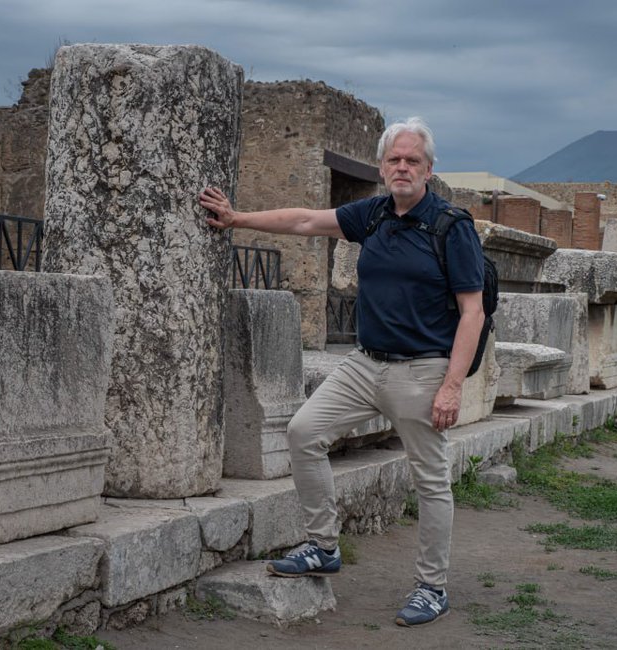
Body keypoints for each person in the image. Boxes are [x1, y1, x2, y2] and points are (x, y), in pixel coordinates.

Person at [199, 117, 484, 627]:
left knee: (431, 480)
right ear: (381, 166)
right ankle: (322, 546)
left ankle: (431, 587)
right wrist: (237, 218)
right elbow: (306, 221)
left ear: (429, 169)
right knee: (303, 431)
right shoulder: (373, 214)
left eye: (412, 160)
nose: (402, 167)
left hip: (422, 370)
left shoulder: (450, 226)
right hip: (365, 363)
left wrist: (452, 386)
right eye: (394, 159)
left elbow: (473, 312)